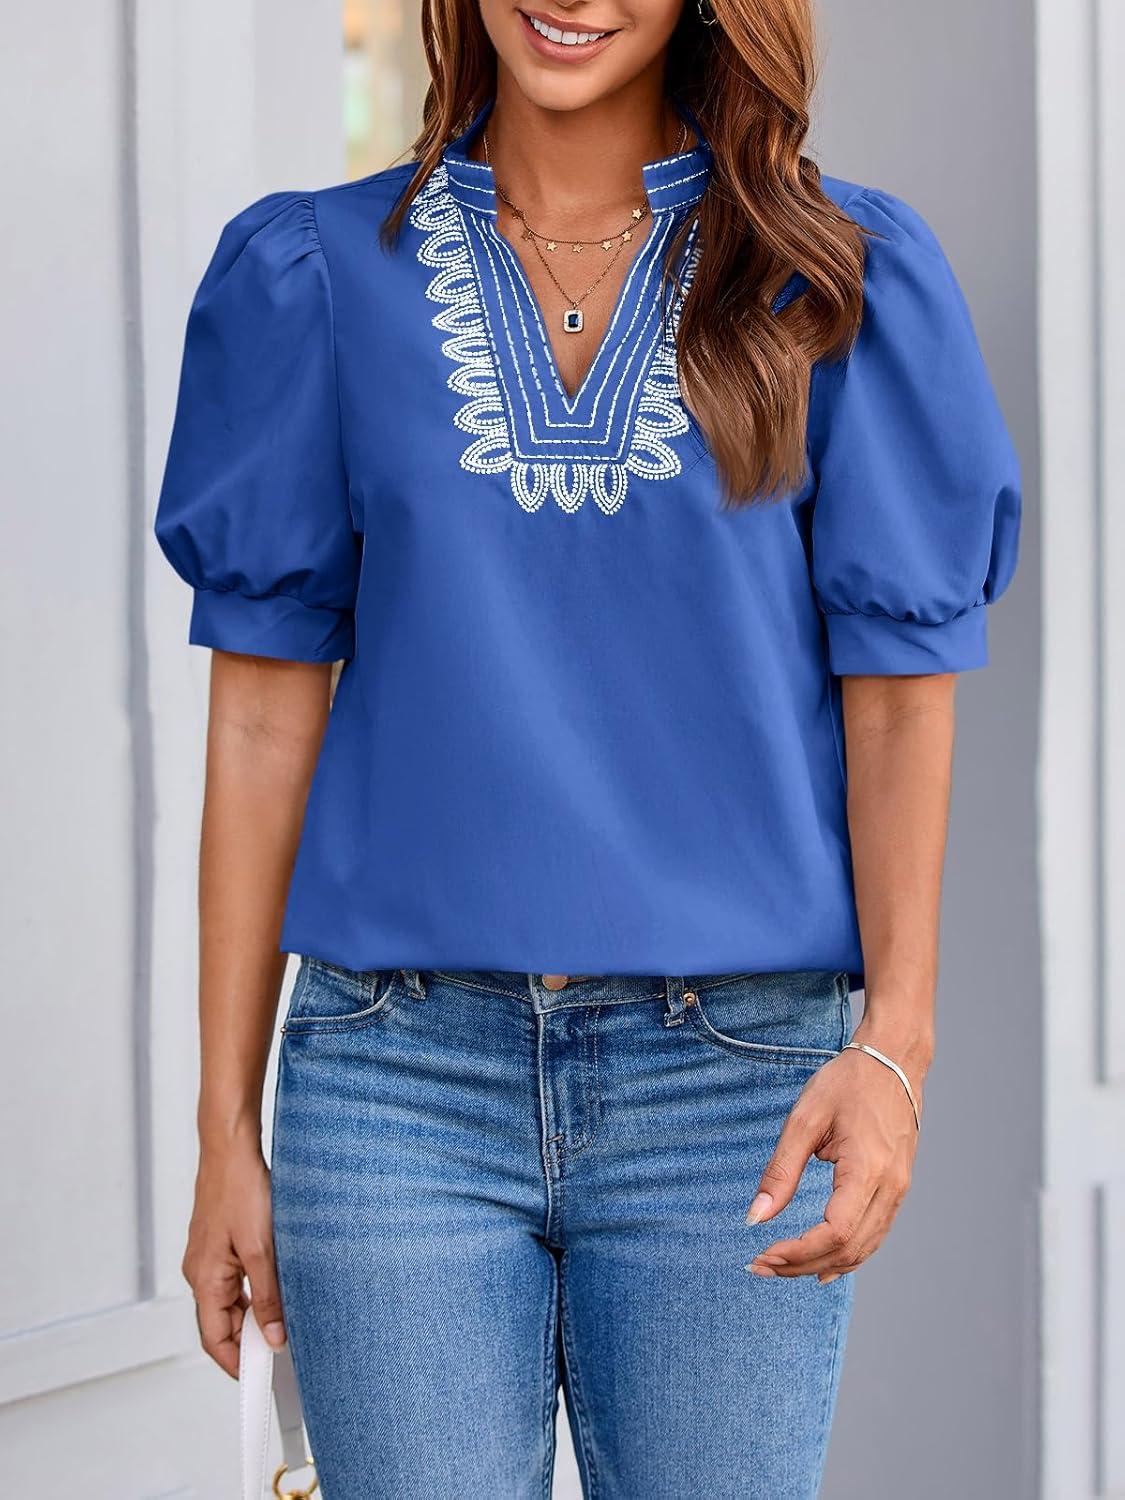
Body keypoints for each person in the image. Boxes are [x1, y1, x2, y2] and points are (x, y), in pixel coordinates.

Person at [153, 0, 1021, 1494]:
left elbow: (897, 696)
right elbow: (258, 719)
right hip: (395, 1075)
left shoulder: (834, 276)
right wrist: (224, 1126)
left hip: (733, 1088)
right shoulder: (312, 275)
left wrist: (897, 1046)